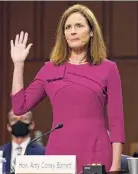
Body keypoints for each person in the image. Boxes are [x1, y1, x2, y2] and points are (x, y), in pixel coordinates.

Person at [10, 4, 125, 173]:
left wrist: (116, 165)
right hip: (59, 156)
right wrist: (18, 64)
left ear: (92, 31)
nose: (72, 31)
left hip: (96, 152)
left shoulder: (108, 68)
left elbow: (116, 121)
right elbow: (19, 107)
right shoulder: (50, 69)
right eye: (68, 27)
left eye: (79, 26)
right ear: (63, 34)